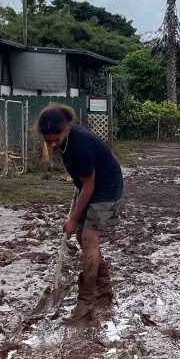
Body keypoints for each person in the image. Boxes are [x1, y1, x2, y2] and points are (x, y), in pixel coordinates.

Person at [37, 103, 123, 320]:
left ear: (66, 129)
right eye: (49, 141)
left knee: (88, 239)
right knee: (79, 235)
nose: (53, 144)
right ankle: (103, 285)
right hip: (89, 185)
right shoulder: (63, 142)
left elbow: (89, 186)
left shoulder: (81, 144)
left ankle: (86, 299)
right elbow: (83, 183)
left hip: (106, 186)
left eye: (56, 139)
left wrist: (73, 218)